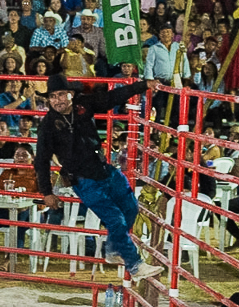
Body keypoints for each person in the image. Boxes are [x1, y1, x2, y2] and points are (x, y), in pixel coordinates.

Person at [33, 73, 162, 281]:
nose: (57, 100)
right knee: (115, 218)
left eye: (61, 94)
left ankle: (113, 249)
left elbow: (114, 97)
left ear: (71, 94)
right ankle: (135, 265)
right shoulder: (47, 126)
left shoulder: (84, 105)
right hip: (83, 180)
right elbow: (41, 160)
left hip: (104, 169)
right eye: (53, 96)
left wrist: (144, 85)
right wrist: (46, 192)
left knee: (131, 207)